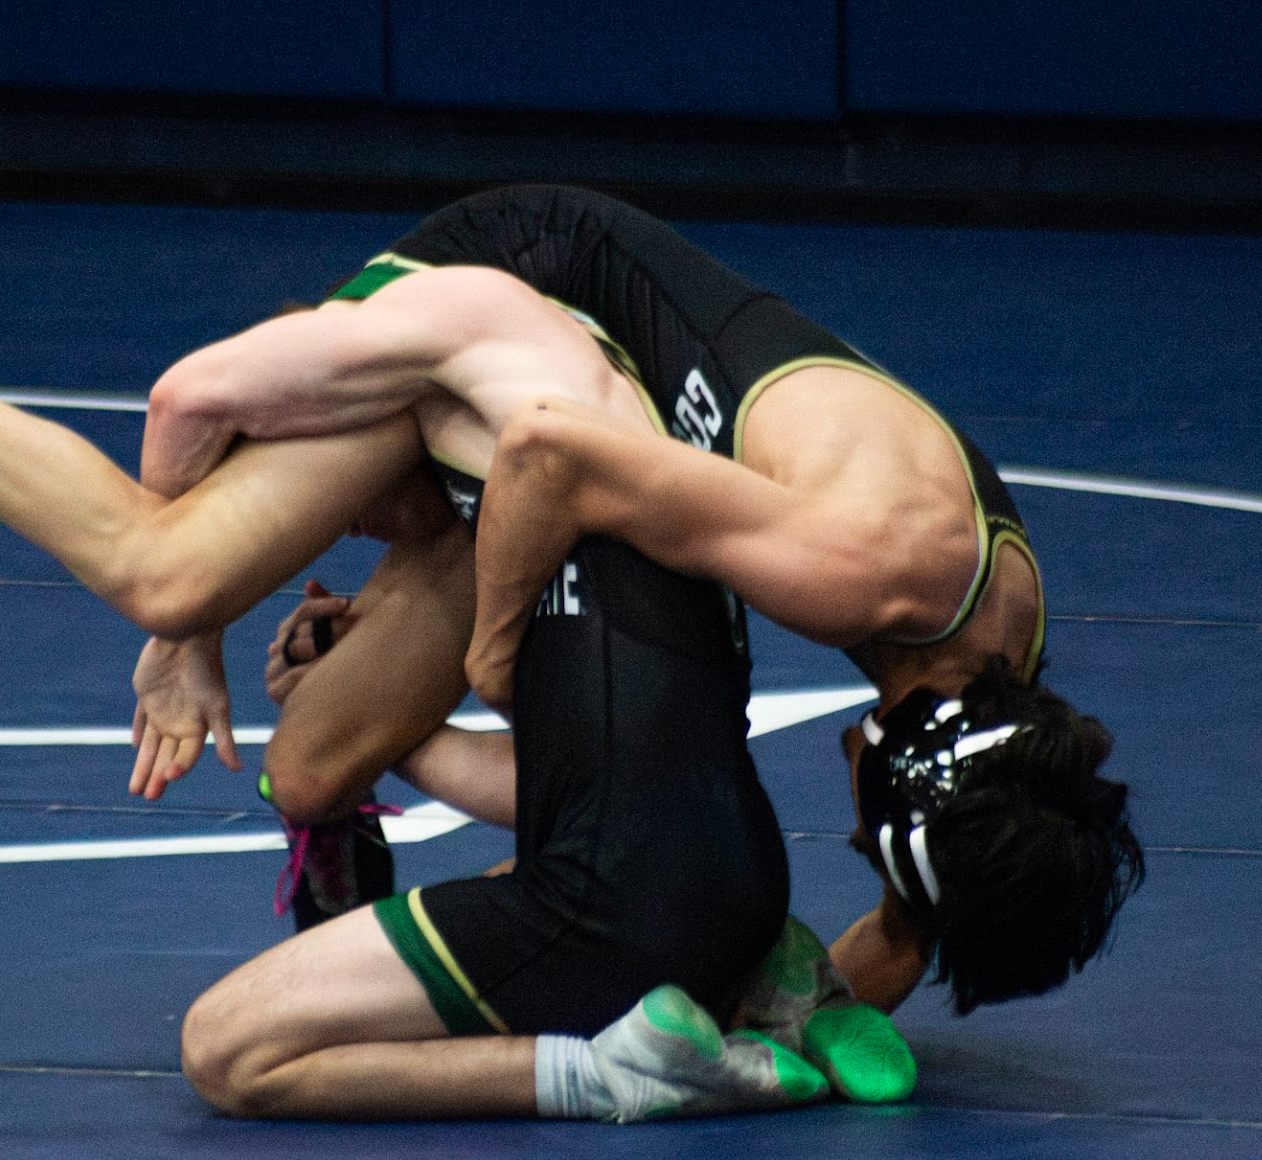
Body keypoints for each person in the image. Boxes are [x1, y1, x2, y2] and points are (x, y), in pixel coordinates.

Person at [0, 232, 915, 1119]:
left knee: (226, 1047)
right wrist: (420, 714)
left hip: (621, 907)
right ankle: (780, 980)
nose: (328, 523)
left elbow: (186, 403)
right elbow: (570, 761)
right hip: (731, 877)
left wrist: (187, 641)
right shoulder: (594, 441)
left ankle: (609, 1070)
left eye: (324, 494)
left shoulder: (450, 344)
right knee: (322, 755)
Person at [140, 185, 1144, 1015]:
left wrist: (812, 1027)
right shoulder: (859, 568)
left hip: (604, 444)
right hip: (531, 283)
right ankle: (243, 610)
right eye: (863, 833)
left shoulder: (995, 738)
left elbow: (896, 938)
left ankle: (372, 732)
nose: (846, 784)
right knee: (301, 503)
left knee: (314, 763)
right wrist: (490, 649)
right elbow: (545, 451)